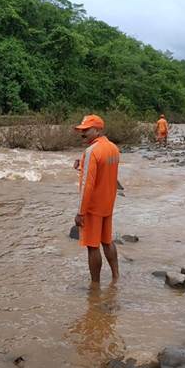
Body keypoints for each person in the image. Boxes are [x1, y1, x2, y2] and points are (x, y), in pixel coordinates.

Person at [74, 114, 120, 285]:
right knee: (107, 241)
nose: (83, 133)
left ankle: (95, 286)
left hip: (92, 207)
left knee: (92, 246)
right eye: (82, 130)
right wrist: (82, 166)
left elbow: (87, 184)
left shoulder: (91, 152)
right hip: (108, 203)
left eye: (86, 130)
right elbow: (104, 173)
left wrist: (80, 212)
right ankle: (116, 276)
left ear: (98, 130)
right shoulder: (113, 148)